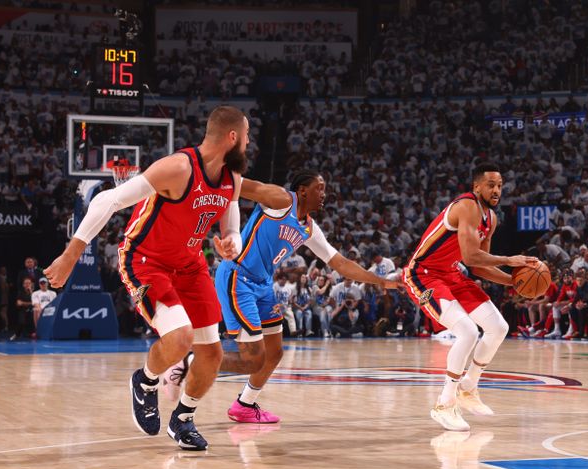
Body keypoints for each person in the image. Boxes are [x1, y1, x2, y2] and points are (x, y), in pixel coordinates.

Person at [44, 105, 287, 450]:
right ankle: (145, 382)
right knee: (180, 337)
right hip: (147, 260)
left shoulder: (230, 179)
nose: (249, 143)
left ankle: (183, 418)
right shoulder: (178, 167)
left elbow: (230, 212)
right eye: (246, 136)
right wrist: (70, 255)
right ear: (232, 137)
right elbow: (108, 200)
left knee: (212, 355)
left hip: (190, 265)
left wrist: (231, 238)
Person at [164, 170, 399, 424]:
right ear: (302, 191)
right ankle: (186, 362)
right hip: (238, 278)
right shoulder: (280, 200)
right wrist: (200, 178)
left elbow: (340, 264)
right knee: (252, 359)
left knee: (274, 353)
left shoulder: (309, 228)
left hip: (264, 285)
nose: (324, 194)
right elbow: (239, 185)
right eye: (319, 188)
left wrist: (382, 281)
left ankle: (245, 405)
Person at [402, 162, 538, 431]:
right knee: (467, 331)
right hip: (423, 274)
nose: (496, 189)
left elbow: (477, 267)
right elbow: (470, 256)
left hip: (452, 274)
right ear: (476, 187)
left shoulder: (492, 218)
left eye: (499, 185)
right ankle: (444, 403)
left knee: (498, 327)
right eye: (490, 185)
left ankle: (468, 387)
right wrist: (511, 260)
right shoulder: (466, 206)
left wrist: (514, 281)